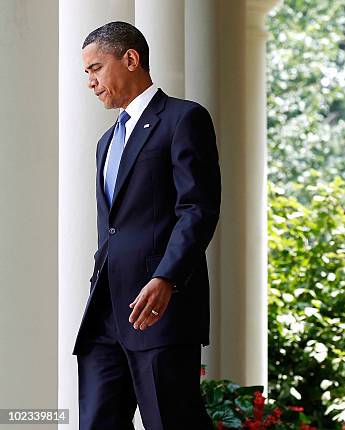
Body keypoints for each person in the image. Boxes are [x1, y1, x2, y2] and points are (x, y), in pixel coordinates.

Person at [73, 21, 220, 429]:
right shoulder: (106, 142)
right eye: (87, 72)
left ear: (131, 59)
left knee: (172, 422)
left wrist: (167, 278)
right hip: (105, 314)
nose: (90, 81)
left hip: (160, 309)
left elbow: (198, 208)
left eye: (96, 68)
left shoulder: (183, 118)